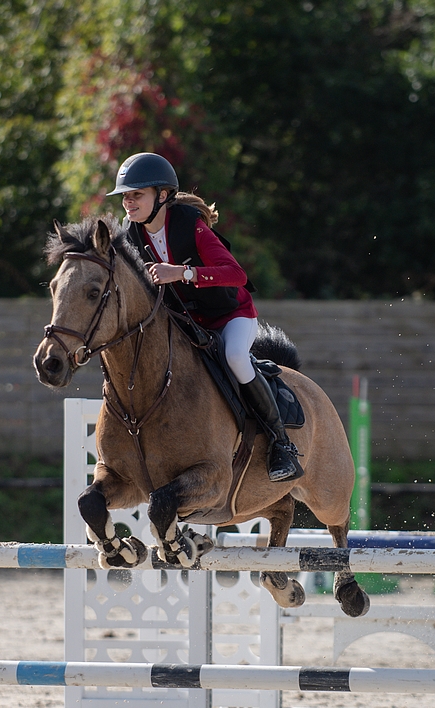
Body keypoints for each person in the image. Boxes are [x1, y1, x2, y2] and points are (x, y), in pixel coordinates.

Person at [107, 152, 303, 482]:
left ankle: (281, 445)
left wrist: (182, 273)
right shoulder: (131, 235)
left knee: (235, 356)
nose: (128, 202)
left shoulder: (190, 226)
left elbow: (236, 275)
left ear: (163, 196)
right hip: (187, 322)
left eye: (136, 195)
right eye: (125, 196)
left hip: (231, 315)